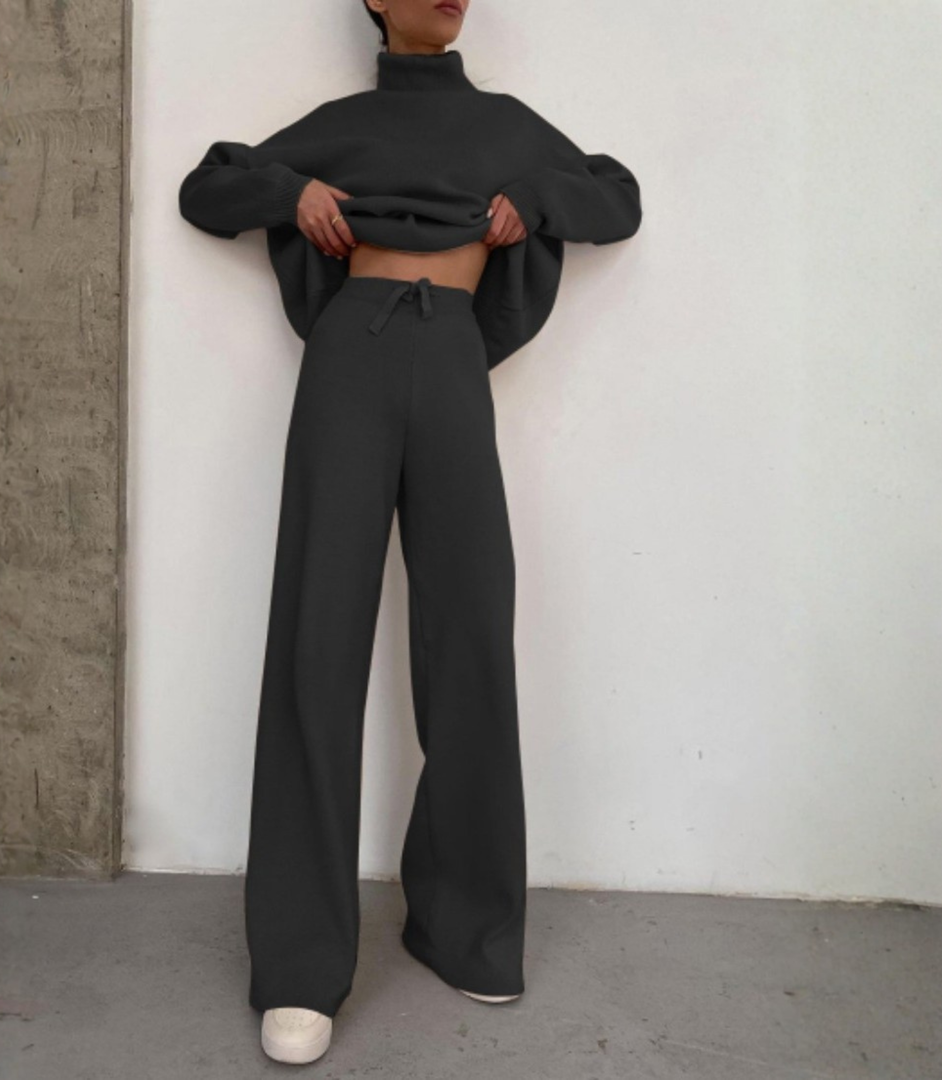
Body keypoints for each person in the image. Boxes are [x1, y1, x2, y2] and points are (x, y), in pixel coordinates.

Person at [178, 0, 642, 1064]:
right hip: (351, 356)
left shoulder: (507, 125)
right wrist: (290, 193)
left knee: (470, 636)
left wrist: (537, 197)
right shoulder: (341, 124)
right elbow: (207, 188)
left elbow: (617, 197)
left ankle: (465, 926)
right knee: (318, 641)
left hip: (453, 363)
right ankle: (301, 968)